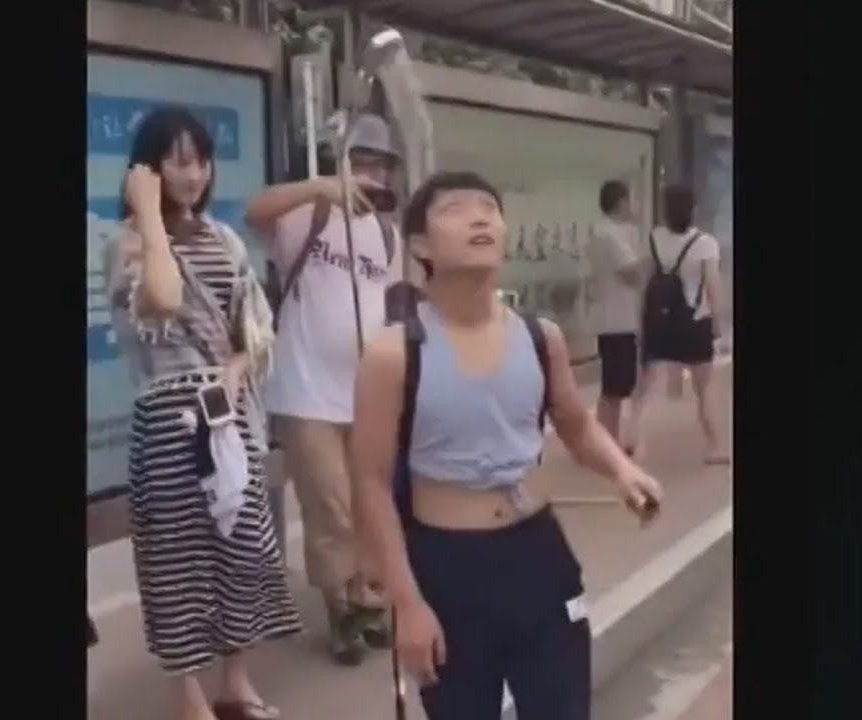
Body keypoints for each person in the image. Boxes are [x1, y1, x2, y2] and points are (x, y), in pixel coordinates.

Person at [349, 171, 664, 720]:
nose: (479, 217)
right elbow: (370, 484)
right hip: (448, 568)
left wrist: (621, 471)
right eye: (455, 209)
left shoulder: (541, 337)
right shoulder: (393, 355)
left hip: (539, 557)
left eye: (489, 209)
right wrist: (408, 604)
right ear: (420, 245)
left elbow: (574, 423)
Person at [105, 106, 301, 720]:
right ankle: (188, 697)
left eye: (201, 161)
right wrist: (147, 215)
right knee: (175, 563)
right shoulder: (129, 243)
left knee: (244, 552)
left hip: (230, 419)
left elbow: (258, 327)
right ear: (148, 169)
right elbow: (159, 301)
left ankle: (235, 683)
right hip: (167, 425)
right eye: (178, 161)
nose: (193, 175)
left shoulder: (225, 239)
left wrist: (239, 369)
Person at [244, 113, 402, 666]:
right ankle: (339, 609)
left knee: (366, 502)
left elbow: (394, 302)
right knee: (330, 504)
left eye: (380, 165)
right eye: (361, 162)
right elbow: (253, 209)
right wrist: (320, 189)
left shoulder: (387, 232)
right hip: (306, 390)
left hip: (365, 392)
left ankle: (365, 598)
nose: (371, 174)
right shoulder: (304, 217)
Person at [629, 184, 729, 464]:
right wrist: (717, 324)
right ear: (693, 209)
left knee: (646, 389)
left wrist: (642, 319)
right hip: (695, 323)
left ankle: (637, 445)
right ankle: (715, 447)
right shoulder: (705, 243)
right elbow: (712, 285)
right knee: (704, 388)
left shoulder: (654, 238)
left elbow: (646, 282)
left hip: (659, 321)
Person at [587, 180, 645, 454]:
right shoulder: (611, 236)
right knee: (615, 387)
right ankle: (606, 443)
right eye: (629, 200)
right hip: (618, 320)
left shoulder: (602, 232)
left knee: (613, 386)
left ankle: (607, 440)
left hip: (610, 317)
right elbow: (632, 274)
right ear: (620, 202)